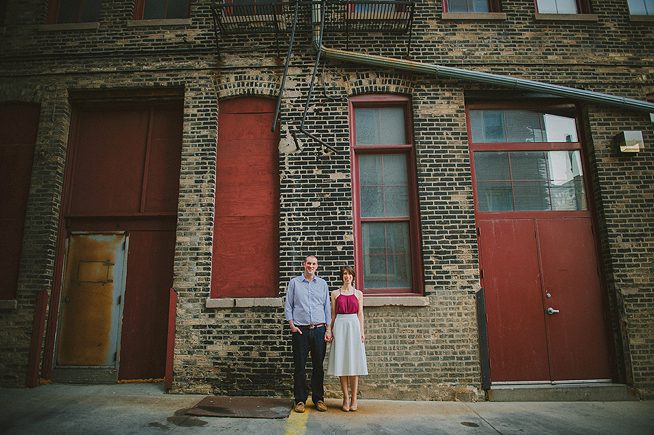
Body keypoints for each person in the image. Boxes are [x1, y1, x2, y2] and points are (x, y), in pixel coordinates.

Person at [284, 255, 332, 413]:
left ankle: (318, 399)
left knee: (318, 366)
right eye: (308, 263)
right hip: (300, 330)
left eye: (314, 264)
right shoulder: (294, 283)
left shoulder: (323, 284)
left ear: (317, 266)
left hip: (319, 330)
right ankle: (300, 400)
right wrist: (291, 324)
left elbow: (327, 307)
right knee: (299, 366)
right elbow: (288, 305)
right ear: (304, 265)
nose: (311, 266)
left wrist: (328, 329)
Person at [327, 266, 368, 412]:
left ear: (353, 277)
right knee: (342, 362)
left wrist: (362, 332)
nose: (347, 276)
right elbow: (332, 314)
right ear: (342, 276)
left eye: (349, 274)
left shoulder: (358, 294)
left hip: (354, 327)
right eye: (345, 274)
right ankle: (345, 398)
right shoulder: (335, 294)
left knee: (354, 363)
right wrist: (329, 331)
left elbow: (360, 314)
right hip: (340, 325)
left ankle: (354, 399)